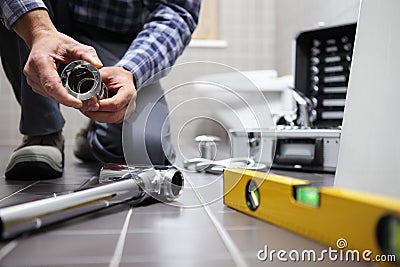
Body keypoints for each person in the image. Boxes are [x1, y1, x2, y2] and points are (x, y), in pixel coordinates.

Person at [0, 0, 200, 179]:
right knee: (11, 9)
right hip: (46, 18)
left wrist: (130, 71)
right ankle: (42, 133)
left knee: (147, 149)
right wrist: (38, 31)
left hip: (117, 37)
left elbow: (177, 10)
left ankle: (95, 136)